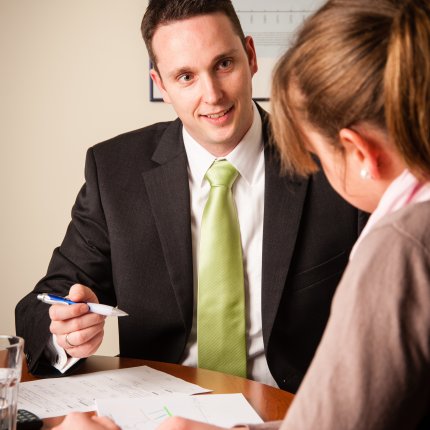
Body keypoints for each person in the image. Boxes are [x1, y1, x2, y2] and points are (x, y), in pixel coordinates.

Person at [15, 0, 363, 395]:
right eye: (185, 76)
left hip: (295, 412)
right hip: (163, 412)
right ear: (159, 84)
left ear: (250, 57)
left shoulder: (335, 158)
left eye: (224, 64)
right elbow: (35, 310)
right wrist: (66, 331)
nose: (212, 95)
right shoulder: (114, 172)